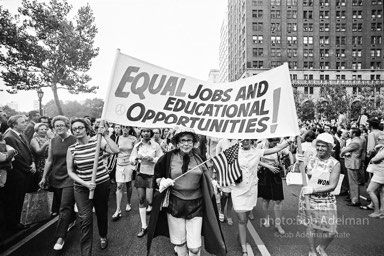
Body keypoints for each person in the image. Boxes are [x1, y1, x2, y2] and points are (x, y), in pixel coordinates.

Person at [147, 126, 226, 256]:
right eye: (182, 140)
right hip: (175, 204)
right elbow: (156, 176)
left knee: (194, 248)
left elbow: (205, 177)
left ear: (194, 142)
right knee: (180, 244)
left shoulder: (199, 158)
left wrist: (212, 183)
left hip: (196, 205)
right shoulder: (167, 158)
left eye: (189, 140)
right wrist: (161, 181)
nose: (186, 143)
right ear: (177, 142)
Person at [66, 118, 119, 255]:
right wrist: (85, 183)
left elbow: (115, 150)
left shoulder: (97, 142)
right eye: (75, 129)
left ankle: (103, 236)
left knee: (101, 212)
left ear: (86, 129)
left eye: (80, 128)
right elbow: (70, 171)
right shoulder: (72, 149)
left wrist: (105, 134)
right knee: (85, 219)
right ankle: (86, 252)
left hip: (101, 184)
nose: (77, 130)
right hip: (82, 187)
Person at [233, 138, 293, 255]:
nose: (245, 141)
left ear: (251, 141)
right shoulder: (234, 152)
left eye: (247, 140)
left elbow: (277, 149)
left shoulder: (256, 151)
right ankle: (244, 248)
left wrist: (289, 141)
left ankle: (240, 236)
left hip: (251, 189)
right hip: (237, 189)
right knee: (242, 219)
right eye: (242, 140)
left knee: (244, 218)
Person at [297, 133, 341, 256]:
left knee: (331, 232)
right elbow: (297, 173)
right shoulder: (311, 157)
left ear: (330, 148)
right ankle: (312, 251)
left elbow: (332, 186)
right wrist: (298, 162)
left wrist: (314, 189)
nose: (320, 148)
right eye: (318, 145)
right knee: (312, 227)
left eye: (324, 146)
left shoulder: (335, 164)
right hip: (308, 198)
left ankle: (321, 247)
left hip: (326, 200)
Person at [39, 115, 77, 251]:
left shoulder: (74, 140)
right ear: (53, 128)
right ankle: (72, 219)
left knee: (64, 206)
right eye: (56, 126)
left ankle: (61, 237)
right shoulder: (52, 141)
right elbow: (49, 160)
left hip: (70, 177)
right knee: (64, 204)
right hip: (56, 177)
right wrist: (44, 177)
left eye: (62, 125)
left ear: (67, 126)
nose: (59, 127)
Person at [3, 115, 37, 230]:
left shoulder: (21, 134)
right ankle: (13, 224)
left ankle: (20, 220)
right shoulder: (9, 137)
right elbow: (16, 158)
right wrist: (28, 168)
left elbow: (28, 151)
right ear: (14, 124)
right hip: (17, 174)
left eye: (25, 121)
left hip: (25, 172)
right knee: (15, 199)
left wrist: (32, 162)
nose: (25, 123)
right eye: (22, 122)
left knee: (22, 198)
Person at [130, 127, 163, 237]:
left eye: (148, 131)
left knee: (150, 200)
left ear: (151, 133)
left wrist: (152, 159)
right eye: (143, 131)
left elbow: (161, 158)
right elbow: (132, 159)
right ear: (141, 133)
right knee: (141, 199)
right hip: (140, 174)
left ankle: (155, 222)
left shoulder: (155, 145)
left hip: (151, 174)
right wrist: (135, 159)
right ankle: (144, 226)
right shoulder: (137, 145)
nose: (145, 133)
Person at [257, 137, 291, 235]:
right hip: (264, 172)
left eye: (277, 143)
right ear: (268, 140)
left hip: (275, 172)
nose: (275, 145)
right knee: (266, 198)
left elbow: (288, 153)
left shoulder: (279, 147)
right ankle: (266, 217)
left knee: (278, 200)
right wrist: (267, 166)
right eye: (273, 143)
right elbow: (255, 159)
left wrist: (291, 163)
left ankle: (278, 224)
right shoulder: (260, 145)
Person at [111, 125, 138, 220]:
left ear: (130, 128)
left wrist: (134, 162)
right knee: (119, 185)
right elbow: (113, 150)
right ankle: (118, 209)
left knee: (128, 184)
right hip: (119, 163)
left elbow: (136, 152)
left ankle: (128, 202)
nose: (124, 129)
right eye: (123, 127)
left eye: (127, 127)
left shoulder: (133, 138)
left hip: (129, 164)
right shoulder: (117, 138)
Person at [216, 138, 238, 225]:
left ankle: (229, 215)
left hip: (234, 172)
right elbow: (217, 157)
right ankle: (221, 210)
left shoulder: (237, 142)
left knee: (232, 195)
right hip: (224, 172)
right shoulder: (221, 142)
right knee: (225, 194)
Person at [340, 128, 364, 207]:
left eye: (350, 132)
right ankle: (352, 197)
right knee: (352, 182)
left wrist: (343, 151)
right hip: (353, 162)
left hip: (352, 163)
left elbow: (344, 150)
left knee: (353, 182)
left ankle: (355, 200)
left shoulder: (355, 142)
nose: (348, 134)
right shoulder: (358, 140)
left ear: (354, 134)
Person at [0, 132, 16, 239]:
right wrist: (9, 154)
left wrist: (9, 154)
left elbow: (12, 154)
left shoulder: (2, 142)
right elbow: (4, 158)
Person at [365, 135, 384, 218]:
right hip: (379, 172)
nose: (377, 140)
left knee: (370, 190)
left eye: (379, 139)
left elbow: (374, 159)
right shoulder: (381, 149)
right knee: (382, 191)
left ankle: (376, 211)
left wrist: (373, 158)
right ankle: (382, 211)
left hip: (380, 173)